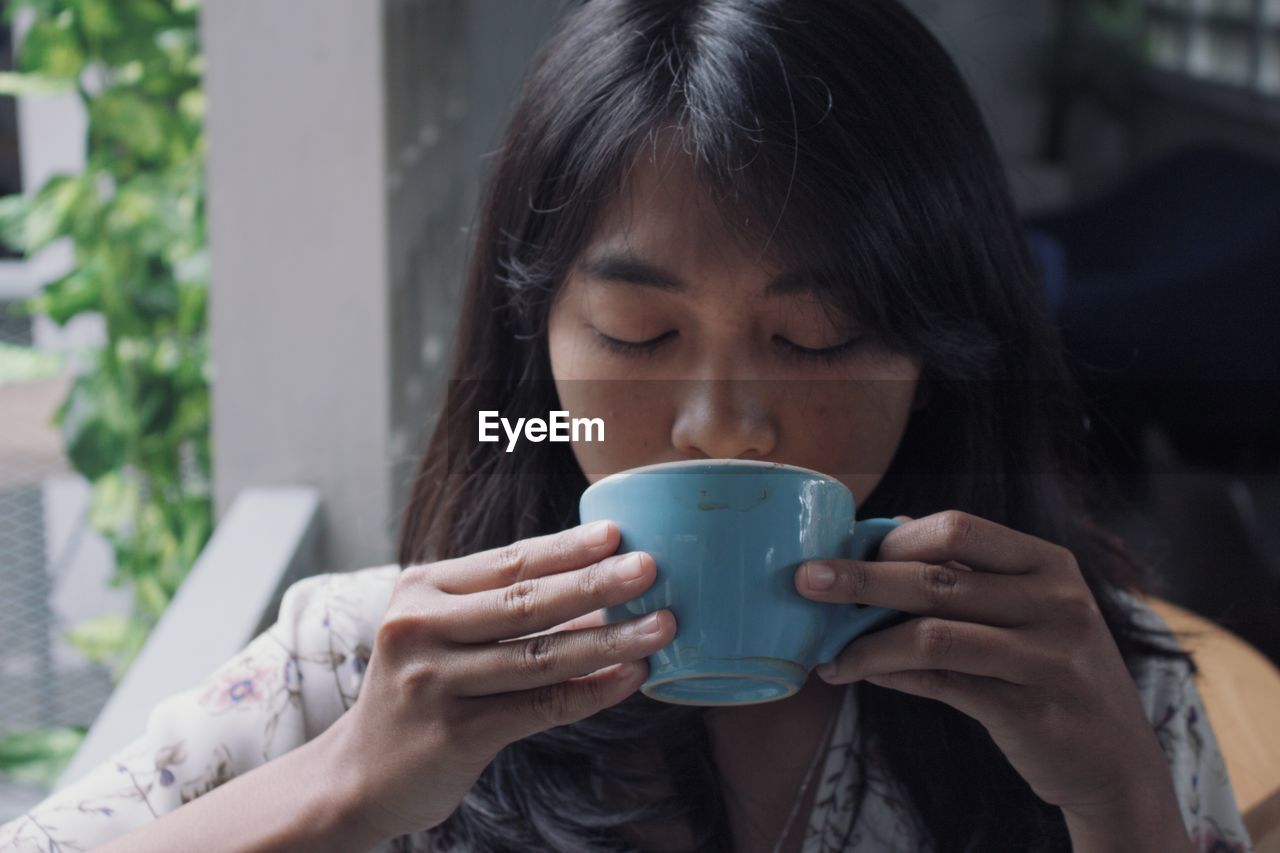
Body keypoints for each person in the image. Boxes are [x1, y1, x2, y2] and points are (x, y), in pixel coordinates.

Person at [0, 1, 1255, 850]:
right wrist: (340, 785)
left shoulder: (1105, 689)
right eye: (639, 337)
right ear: (534, 352)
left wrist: (1122, 808)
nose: (722, 420)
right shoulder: (358, 669)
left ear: (935, 351)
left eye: (817, 337)